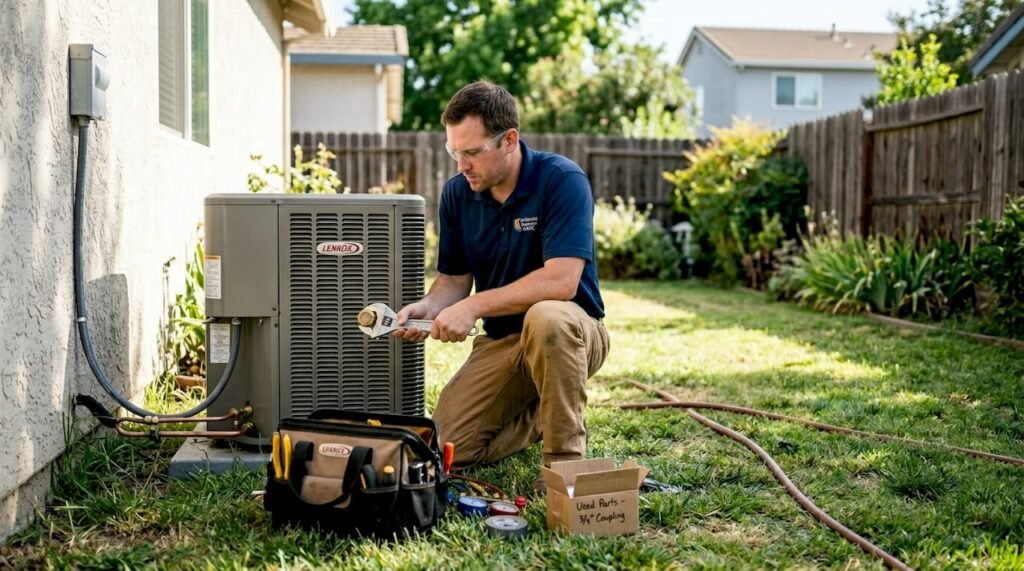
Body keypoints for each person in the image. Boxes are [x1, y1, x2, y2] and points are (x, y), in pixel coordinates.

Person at [393, 81, 609, 481]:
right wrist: (428, 308)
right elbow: (455, 279)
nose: (462, 165)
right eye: (454, 152)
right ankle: (539, 417)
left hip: (571, 332)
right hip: (503, 343)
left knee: (547, 318)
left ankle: (565, 465)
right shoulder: (457, 195)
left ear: (509, 140)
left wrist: (473, 306)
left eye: (472, 152)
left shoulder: (561, 180)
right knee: (446, 452)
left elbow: (562, 281)